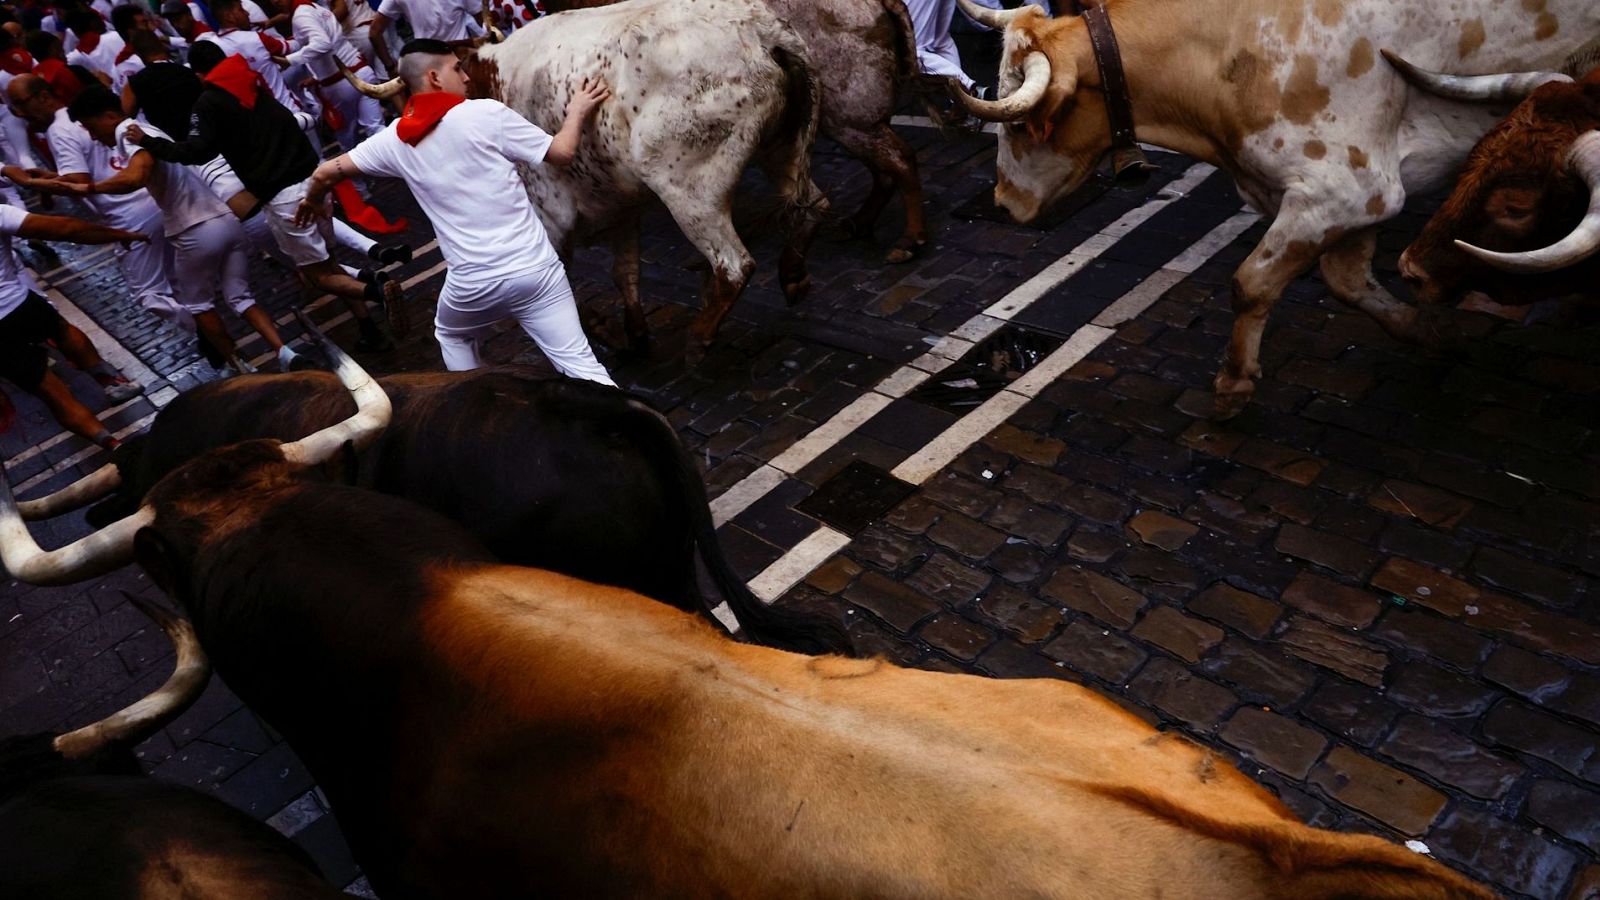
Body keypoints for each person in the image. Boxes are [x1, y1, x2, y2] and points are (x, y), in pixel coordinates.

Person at [299, 39, 610, 379]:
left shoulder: (392, 140)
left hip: (472, 286)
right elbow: (563, 152)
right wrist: (577, 110)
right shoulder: (486, 113)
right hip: (536, 272)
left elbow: (326, 171)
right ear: (434, 77)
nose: (465, 78)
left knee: (451, 334)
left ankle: (477, 400)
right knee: (583, 368)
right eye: (457, 68)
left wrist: (313, 200)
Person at [127, 44, 400, 352]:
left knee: (318, 275)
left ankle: (377, 290)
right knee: (331, 265)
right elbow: (296, 121)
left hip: (284, 199)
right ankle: (370, 329)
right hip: (314, 187)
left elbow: (197, 151)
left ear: (202, 74)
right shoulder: (255, 85)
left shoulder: (209, 104)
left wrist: (148, 142)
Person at [64, 85, 306, 374]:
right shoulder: (146, 127)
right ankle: (284, 350)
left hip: (193, 229)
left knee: (198, 305)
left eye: (91, 127)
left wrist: (89, 187)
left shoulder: (126, 134)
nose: (92, 136)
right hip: (226, 219)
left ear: (109, 115)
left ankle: (240, 367)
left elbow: (136, 176)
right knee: (239, 296)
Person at [5, 74, 183, 331]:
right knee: (175, 282)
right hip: (155, 202)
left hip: (129, 217)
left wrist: (33, 184)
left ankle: (207, 331)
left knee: (149, 295)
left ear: (43, 96)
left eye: (21, 104)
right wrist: (52, 178)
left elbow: (78, 180)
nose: (20, 114)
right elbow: (92, 171)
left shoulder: (59, 129)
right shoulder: (81, 115)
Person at [0, 203, 148, 449]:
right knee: (61, 330)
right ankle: (110, 383)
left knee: (50, 390)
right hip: (18, 303)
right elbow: (65, 228)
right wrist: (119, 234)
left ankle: (112, 444)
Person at [285, 0, 383, 153]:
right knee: (376, 128)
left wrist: (289, 60)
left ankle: (360, 177)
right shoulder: (317, 8)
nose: (275, 2)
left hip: (341, 84)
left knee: (347, 138)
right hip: (360, 71)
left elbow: (322, 43)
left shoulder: (301, 14)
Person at [367, 0, 481, 75]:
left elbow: (374, 31)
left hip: (430, 68)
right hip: (463, 62)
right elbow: (486, 21)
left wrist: (390, 67)